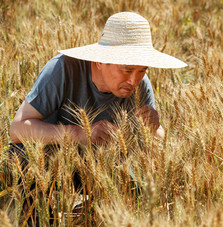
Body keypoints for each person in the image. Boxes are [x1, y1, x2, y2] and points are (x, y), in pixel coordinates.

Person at [9, 12, 187, 145]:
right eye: (127, 69)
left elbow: (160, 144)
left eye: (142, 70)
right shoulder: (62, 69)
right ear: (100, 61)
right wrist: (80, 134)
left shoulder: (141, 83)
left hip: (97, 175)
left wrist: (155, 129)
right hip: (46, 172)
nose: (134, 81)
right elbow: (17, 130)